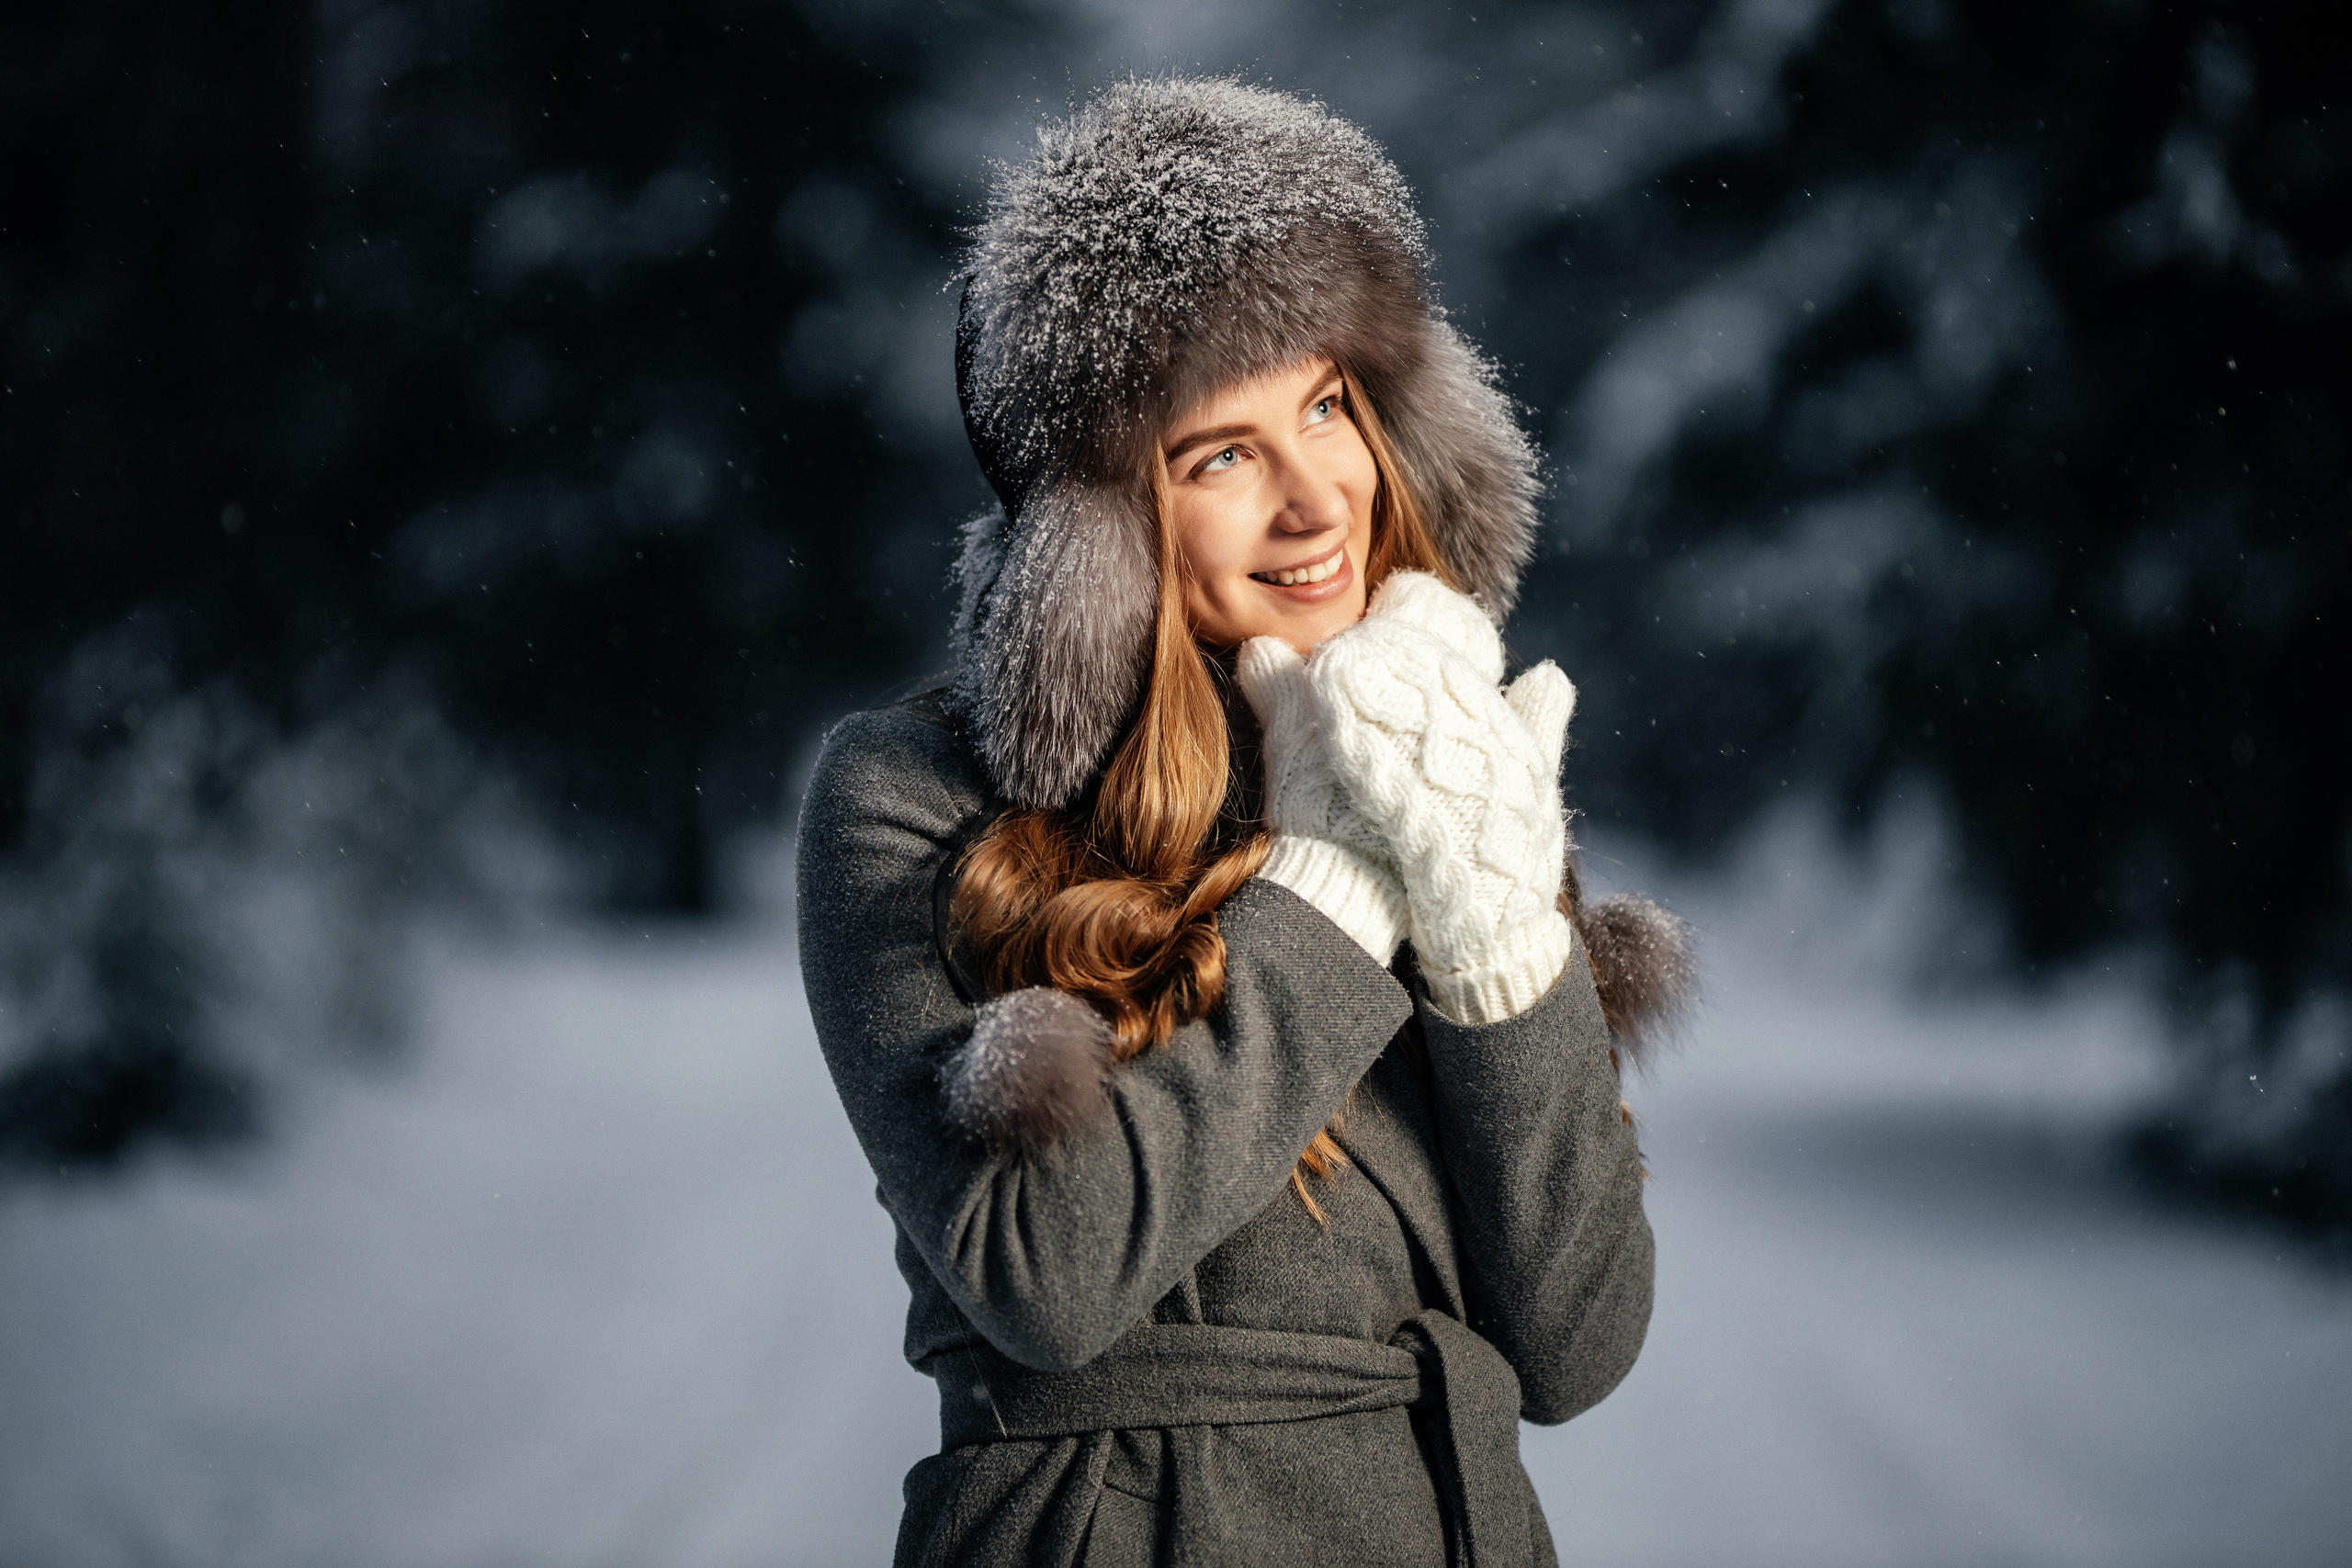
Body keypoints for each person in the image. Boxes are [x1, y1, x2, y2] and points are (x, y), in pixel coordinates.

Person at [797, 77, 1692, 1568]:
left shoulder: (1437, 753)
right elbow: (1045, 1276)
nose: (1314, 502)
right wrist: (1330, 887)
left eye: (1327, 408)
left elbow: (1579, 1345)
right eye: (1220, 455)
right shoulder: (911, 800)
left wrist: (1487, 924)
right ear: (1101, 527)